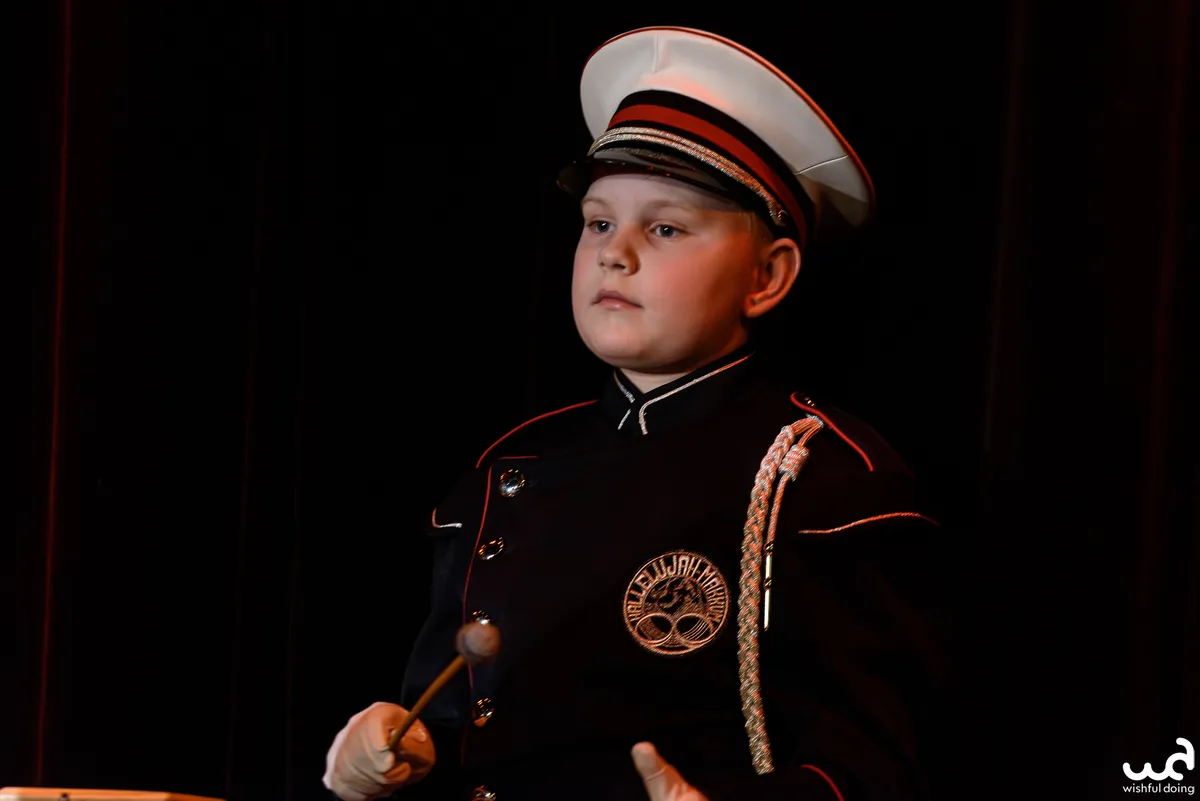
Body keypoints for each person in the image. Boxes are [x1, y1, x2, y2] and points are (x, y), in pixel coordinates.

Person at [323, 25, 950, 801]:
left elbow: (867, 766)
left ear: (767, 276)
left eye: (664, 227)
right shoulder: (509, 466)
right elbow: (462, 721)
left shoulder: (827, 481)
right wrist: (404, 744)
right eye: (598, 222)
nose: (614, 253)